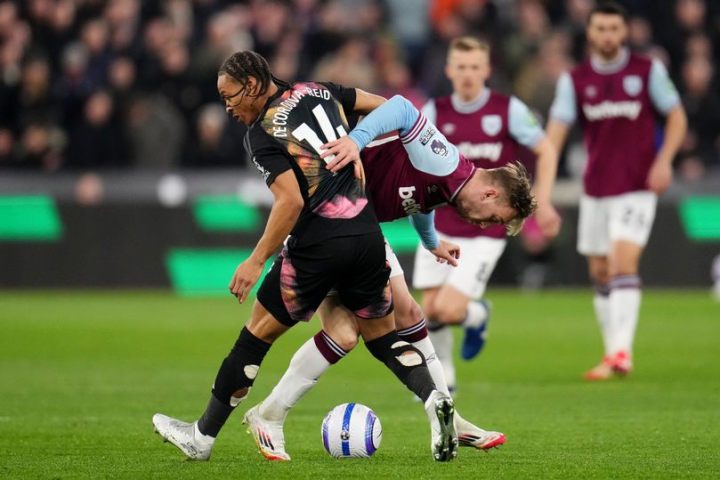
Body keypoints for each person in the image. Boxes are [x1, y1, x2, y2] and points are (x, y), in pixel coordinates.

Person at [152, 51, 458, 462]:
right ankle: (433, 396)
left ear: (254, 84)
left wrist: (257, 259)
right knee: (382, 336)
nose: (228, 107)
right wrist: (358, 145)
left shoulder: (261, 133)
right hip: (367, 234)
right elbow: (389, 110)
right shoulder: (320, 90)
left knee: (257, 335)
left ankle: (202, 437)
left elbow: (291, 201)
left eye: (231, 96)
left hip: (317, 244)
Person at [242, 94, 538, 461]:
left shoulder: (451, 184)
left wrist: (430, 242)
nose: (482, 225)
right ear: (491, 193)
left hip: (359, 225)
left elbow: (418, 199)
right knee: (345, 333)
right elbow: (401, 106)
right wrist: (356, 140)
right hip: (330, 218)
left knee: (408, 314)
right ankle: (268, 414)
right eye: (493, 217)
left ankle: (447, 417)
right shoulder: (447, 160)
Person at [545, 2, 687, 380]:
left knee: (624, 262)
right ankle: (613, 352)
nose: (608, 35)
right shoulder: (575, 80)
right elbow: (555, 134)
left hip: (637, 185)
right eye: (601, 28)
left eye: (614, 28)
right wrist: (542, 191)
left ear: (624, 32)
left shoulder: (647, 71)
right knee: (601, 271)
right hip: (596, 188)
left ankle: (622, 352)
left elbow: (676, 116)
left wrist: (664, 160)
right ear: (590, 33)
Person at [414, 37, 561, 393]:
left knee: (448, 310)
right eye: (461, 67)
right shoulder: (434, 112)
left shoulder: (506, 110)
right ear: (449, 70)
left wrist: (544, 198)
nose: (467, 74)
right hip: (441, 223)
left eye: (474, 67)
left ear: (486, 70)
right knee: (429, 310)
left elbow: (546, 148)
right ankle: (446, 372)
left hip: (484, 233)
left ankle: (478, 314)